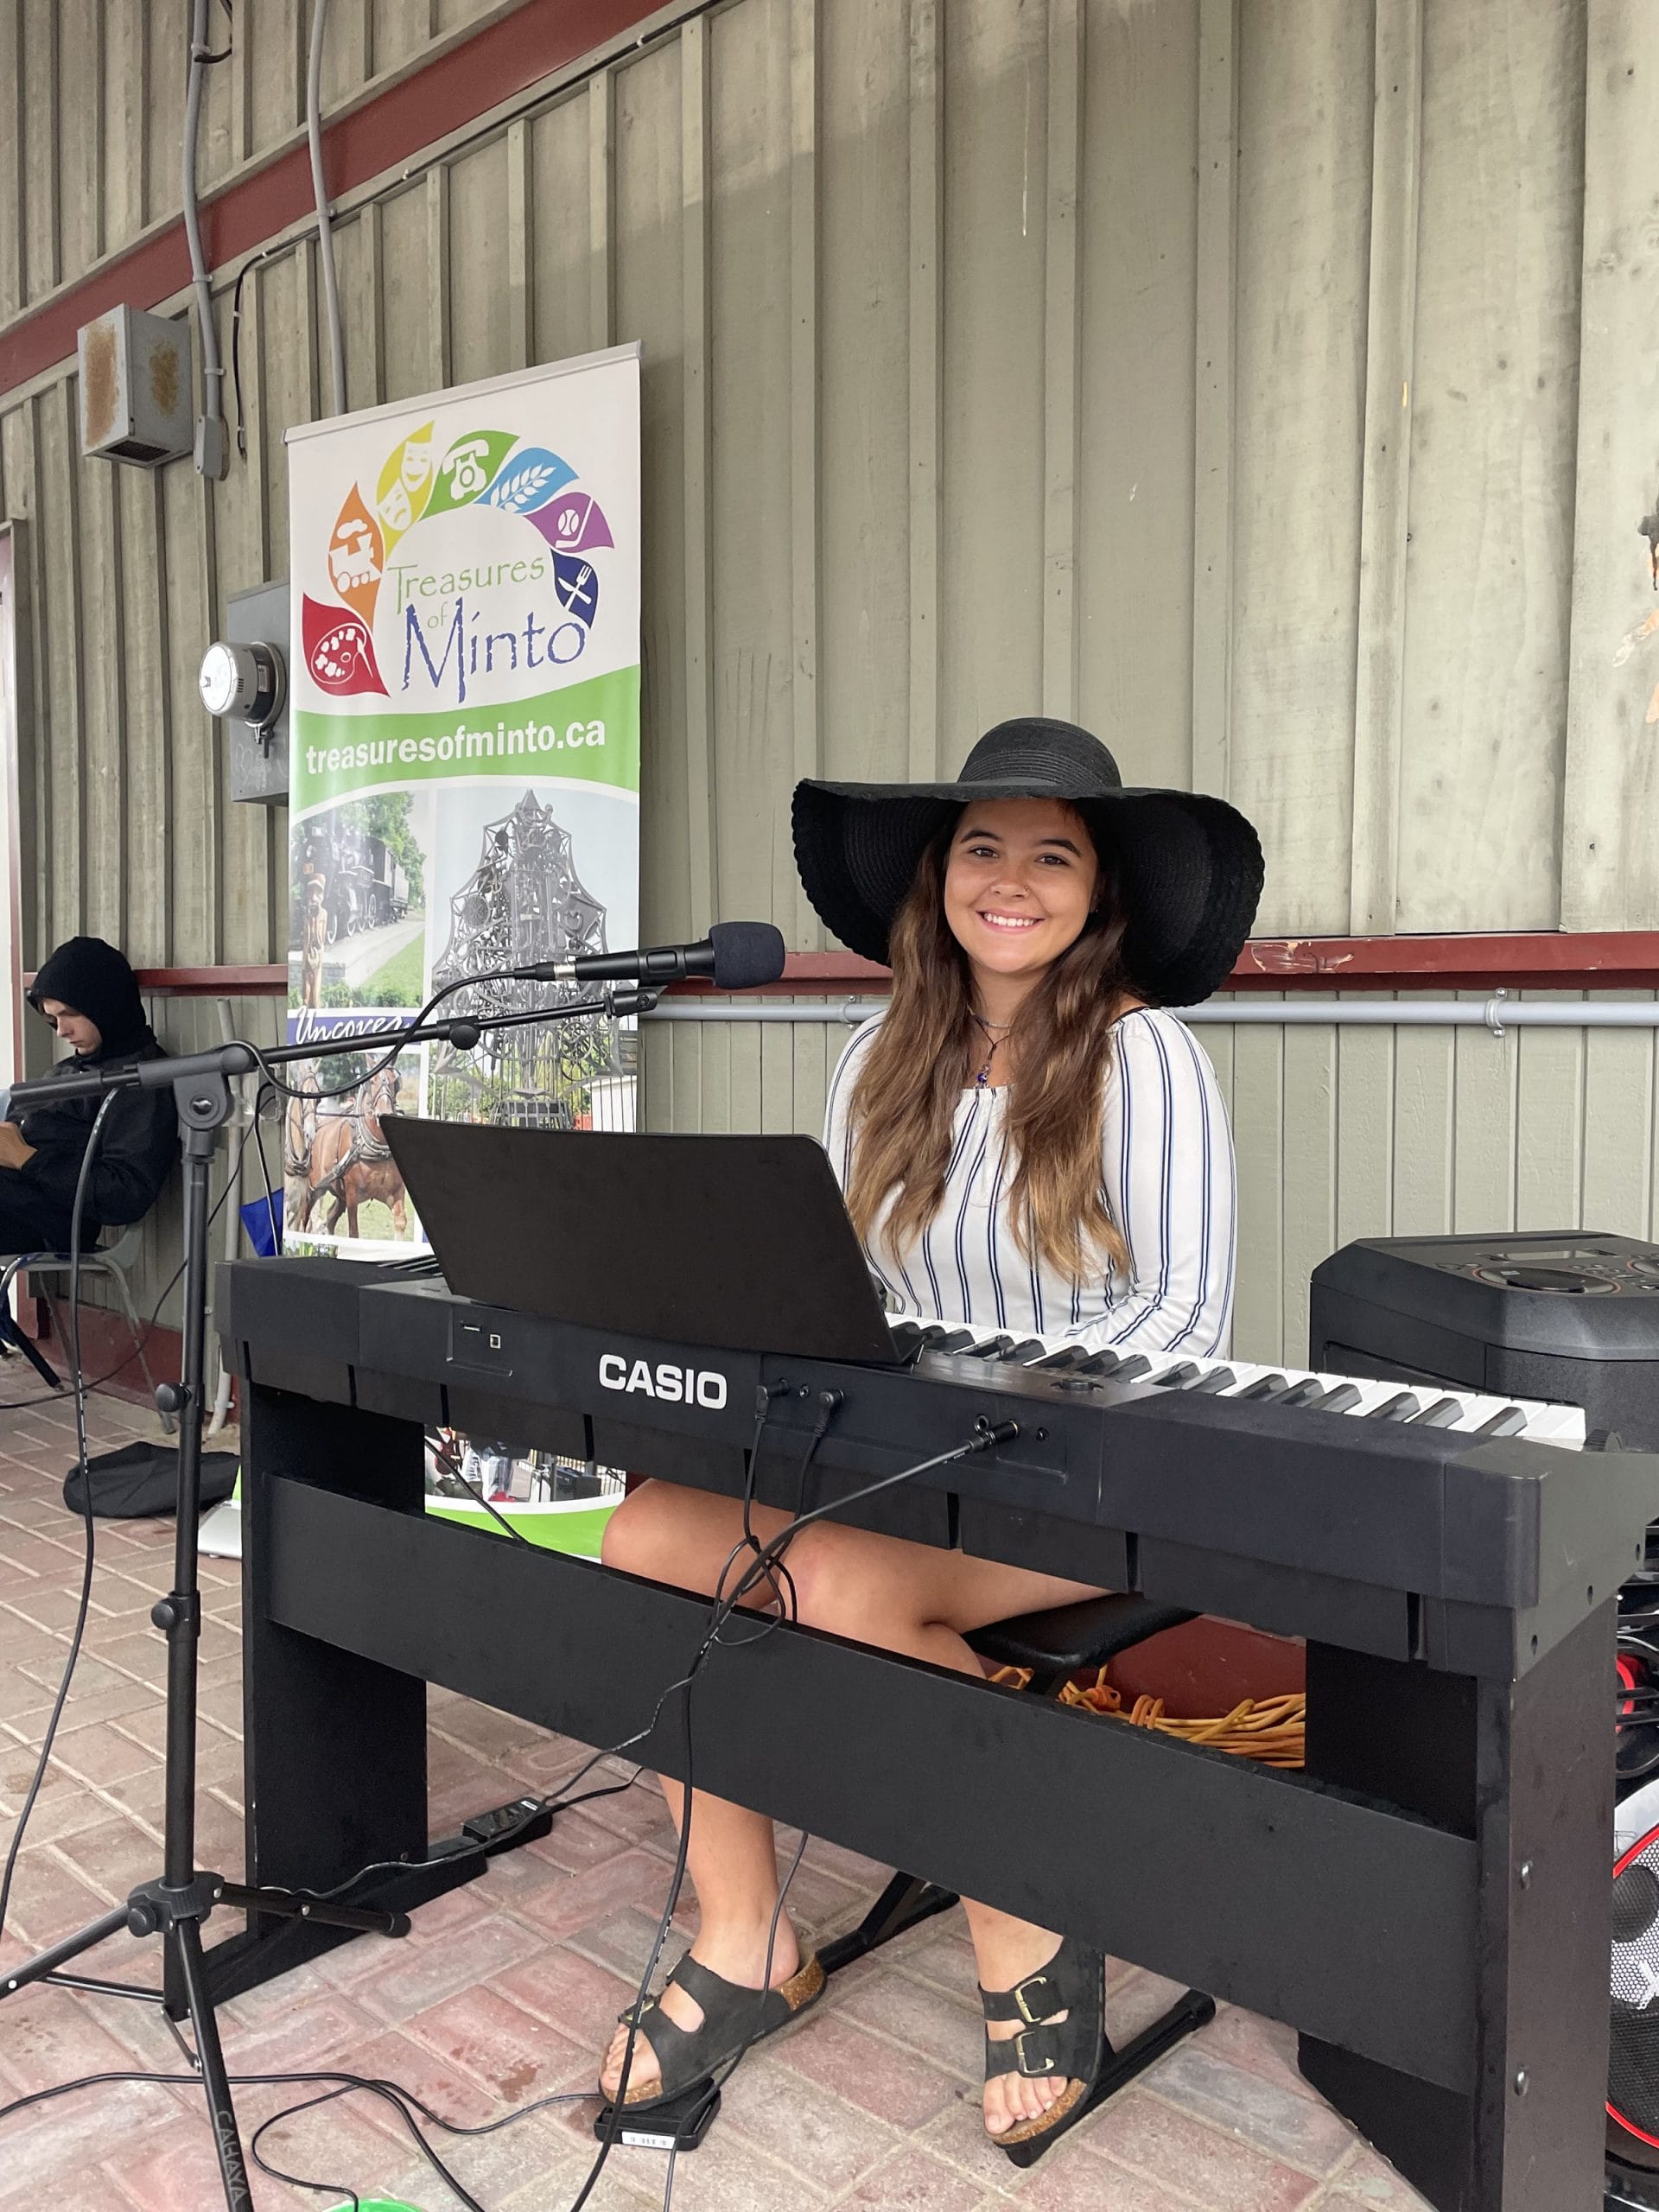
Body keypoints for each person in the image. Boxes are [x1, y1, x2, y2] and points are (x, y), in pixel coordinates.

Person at [596, 718, 1263, 2157]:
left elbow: (1185, 1327)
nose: (1011, 882)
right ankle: (746, 1934)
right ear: (937, 877)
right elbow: (851, 1291)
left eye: (1052, 856)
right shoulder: (875, 1056)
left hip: (1099, 1476)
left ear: (1099, 890)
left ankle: (1026, 1919)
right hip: (900, 1461)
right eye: (982, 848)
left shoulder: (1147, 1057)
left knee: (837, 1581)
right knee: (645, 1534)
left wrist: (985, 1409)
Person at [0, 938, 178, 1255]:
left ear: (104, 1006)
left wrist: (26, 1159)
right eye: (53, 1018)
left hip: (45, 1219)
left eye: (69, 1014)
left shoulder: (138, 1082)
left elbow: (125, 1195)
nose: (61, 1030)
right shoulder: (70, 1070)